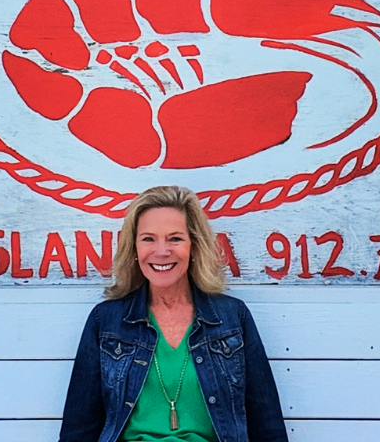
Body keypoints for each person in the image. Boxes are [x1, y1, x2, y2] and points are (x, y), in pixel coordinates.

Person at [59, 186, 288, 442]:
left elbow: (266, 424)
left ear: (193, 246)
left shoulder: (233, 317)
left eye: (175, 238)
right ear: (134, 248)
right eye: (148, 239)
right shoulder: (106, 322)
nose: (161, 251)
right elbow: (78, 428)